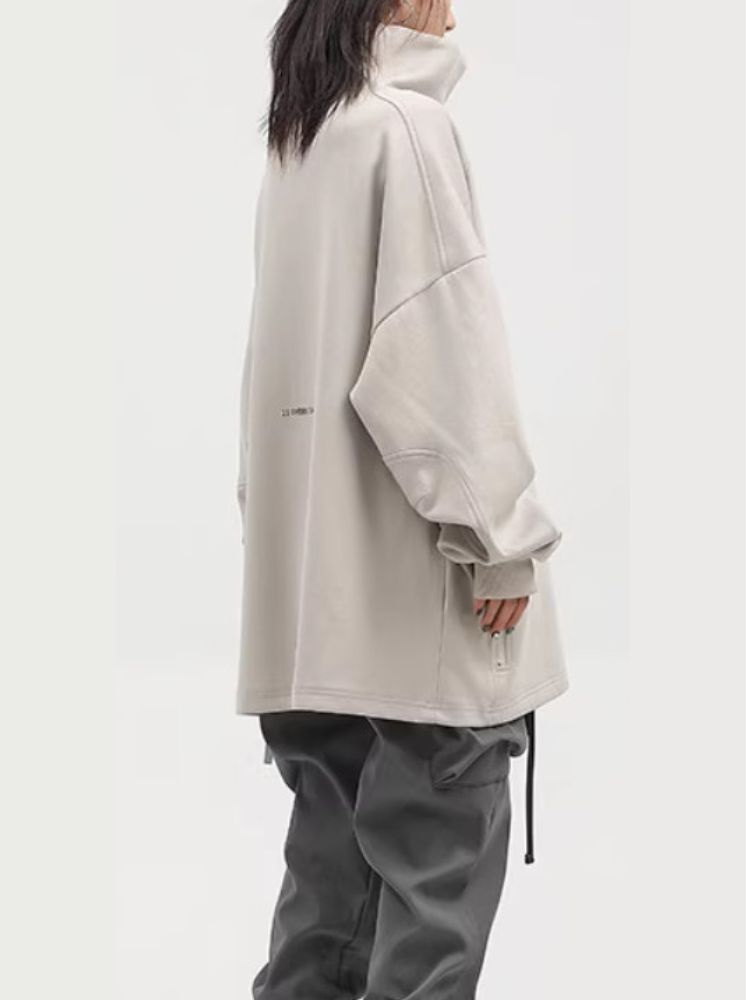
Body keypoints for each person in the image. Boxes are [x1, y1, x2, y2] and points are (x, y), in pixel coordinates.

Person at [235, 1, 568, 996]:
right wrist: (501, 542)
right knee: (430, 914)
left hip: (313, 614)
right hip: (413, 603)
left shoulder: (303, 140)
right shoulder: (405, 128)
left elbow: (270, 378)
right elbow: (436, 362)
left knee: (326, 913)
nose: (455, 8)